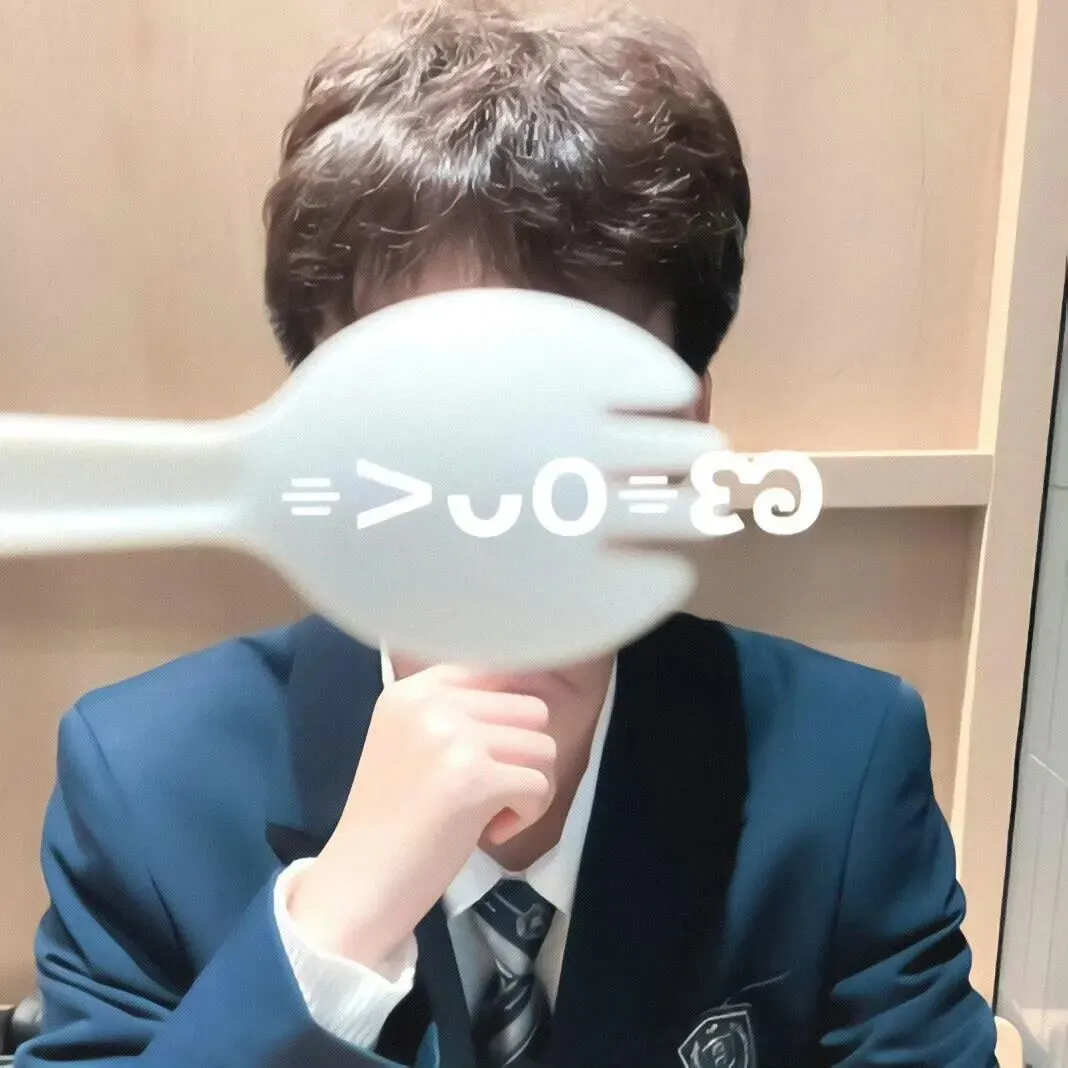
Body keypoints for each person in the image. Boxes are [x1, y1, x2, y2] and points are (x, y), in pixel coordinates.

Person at [19, 3, 999, 1066]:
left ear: (682, 433)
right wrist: (332, 928)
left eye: (567, 406)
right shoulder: (146, 785)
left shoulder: (842, 765)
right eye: (427, 405)